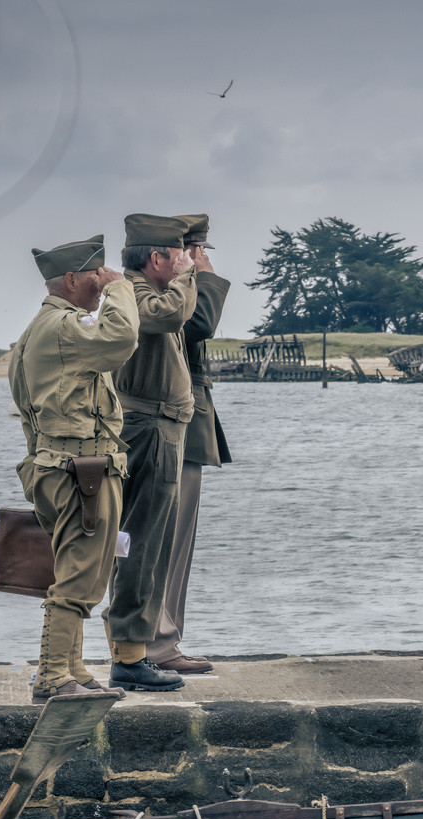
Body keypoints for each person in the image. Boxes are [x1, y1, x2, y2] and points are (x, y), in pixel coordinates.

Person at [6, 234, 137, 702]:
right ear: (70, 279)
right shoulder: (63, 328)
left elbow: (26, 410)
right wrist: (122, 287)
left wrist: (39, 462)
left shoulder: (33, 333)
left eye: (105, 277)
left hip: (54, 466)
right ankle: (52, 677)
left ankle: (74, 669)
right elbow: (121, 337)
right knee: (79, 577)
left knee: (72, 570)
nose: (100, 286)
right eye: (94, 277)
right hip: (80, 470)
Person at [104, 213, 198, 692]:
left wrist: (188, 274)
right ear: (157, 258)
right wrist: (186, 276)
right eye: (179, 253)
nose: (186, 261)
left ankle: (134, 650)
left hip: (163, 425)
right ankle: (128, 653)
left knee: (153, 544)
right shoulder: (137, 294)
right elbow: (171, 315)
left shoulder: (151, 291)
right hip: (149, 428)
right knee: (141, 543)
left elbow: (191, 319)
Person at [147, 213, 233, 674]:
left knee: (174, 544)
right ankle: (156, 643)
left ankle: (162, 639)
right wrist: (203, 277)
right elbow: (200, 324)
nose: (201, 260)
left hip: (180, 424)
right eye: (196, 251)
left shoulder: (163, 293)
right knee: (166, 541)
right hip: (171, 427)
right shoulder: (162, 296)